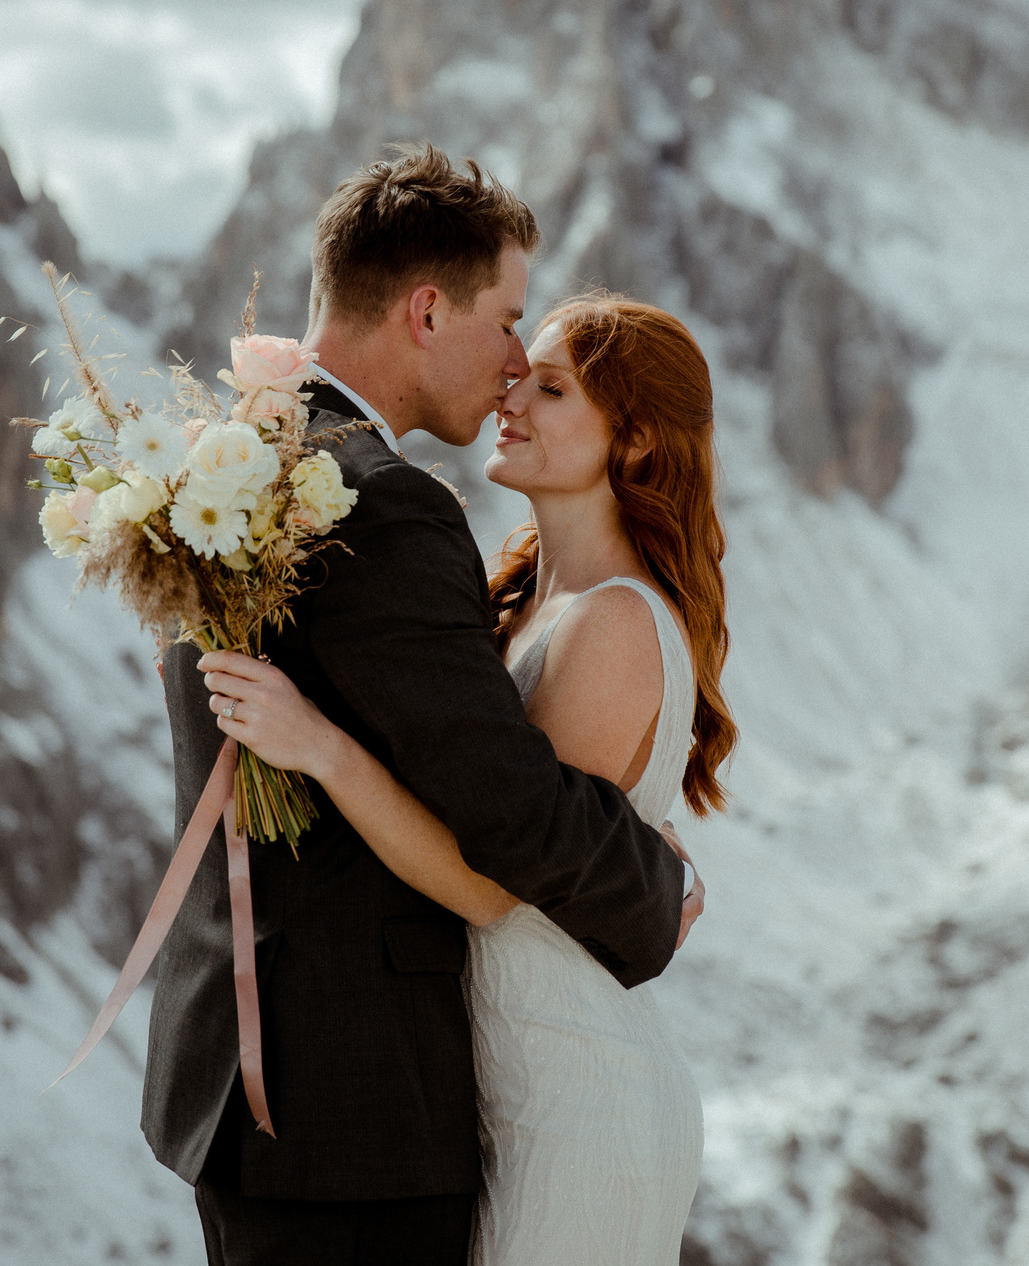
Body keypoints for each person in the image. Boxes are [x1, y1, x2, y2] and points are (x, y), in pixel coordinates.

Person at [144, 145, 696, 1265]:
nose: (509, 365)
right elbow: (509, 811)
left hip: (252, 1079)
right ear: (427, 310)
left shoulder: (237, 460)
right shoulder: (381, 507)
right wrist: (655, 882)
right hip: (355, 1109)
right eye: (507, 323)